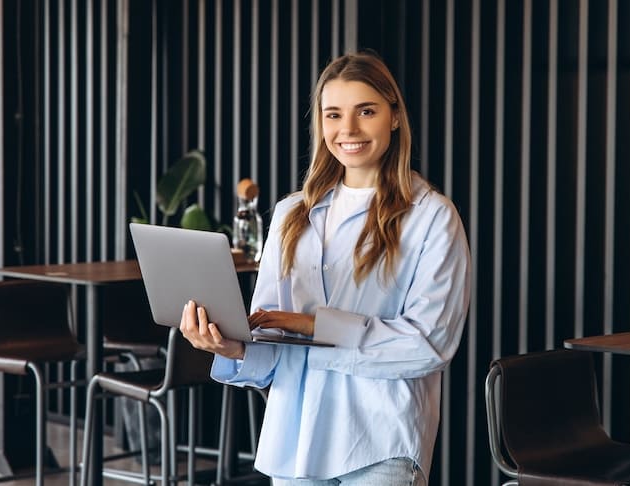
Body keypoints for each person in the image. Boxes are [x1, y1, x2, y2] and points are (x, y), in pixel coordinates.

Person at [179, 51, 470, 486]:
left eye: (365, 111)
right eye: (333, 114)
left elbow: (429, 345)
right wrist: (231, 347)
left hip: (381, 442)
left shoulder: (431, 216)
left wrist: (317, 327)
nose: (348, 129)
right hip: (295, 443)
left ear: (393, 116)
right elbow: (272, 338)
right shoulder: (290, 213)